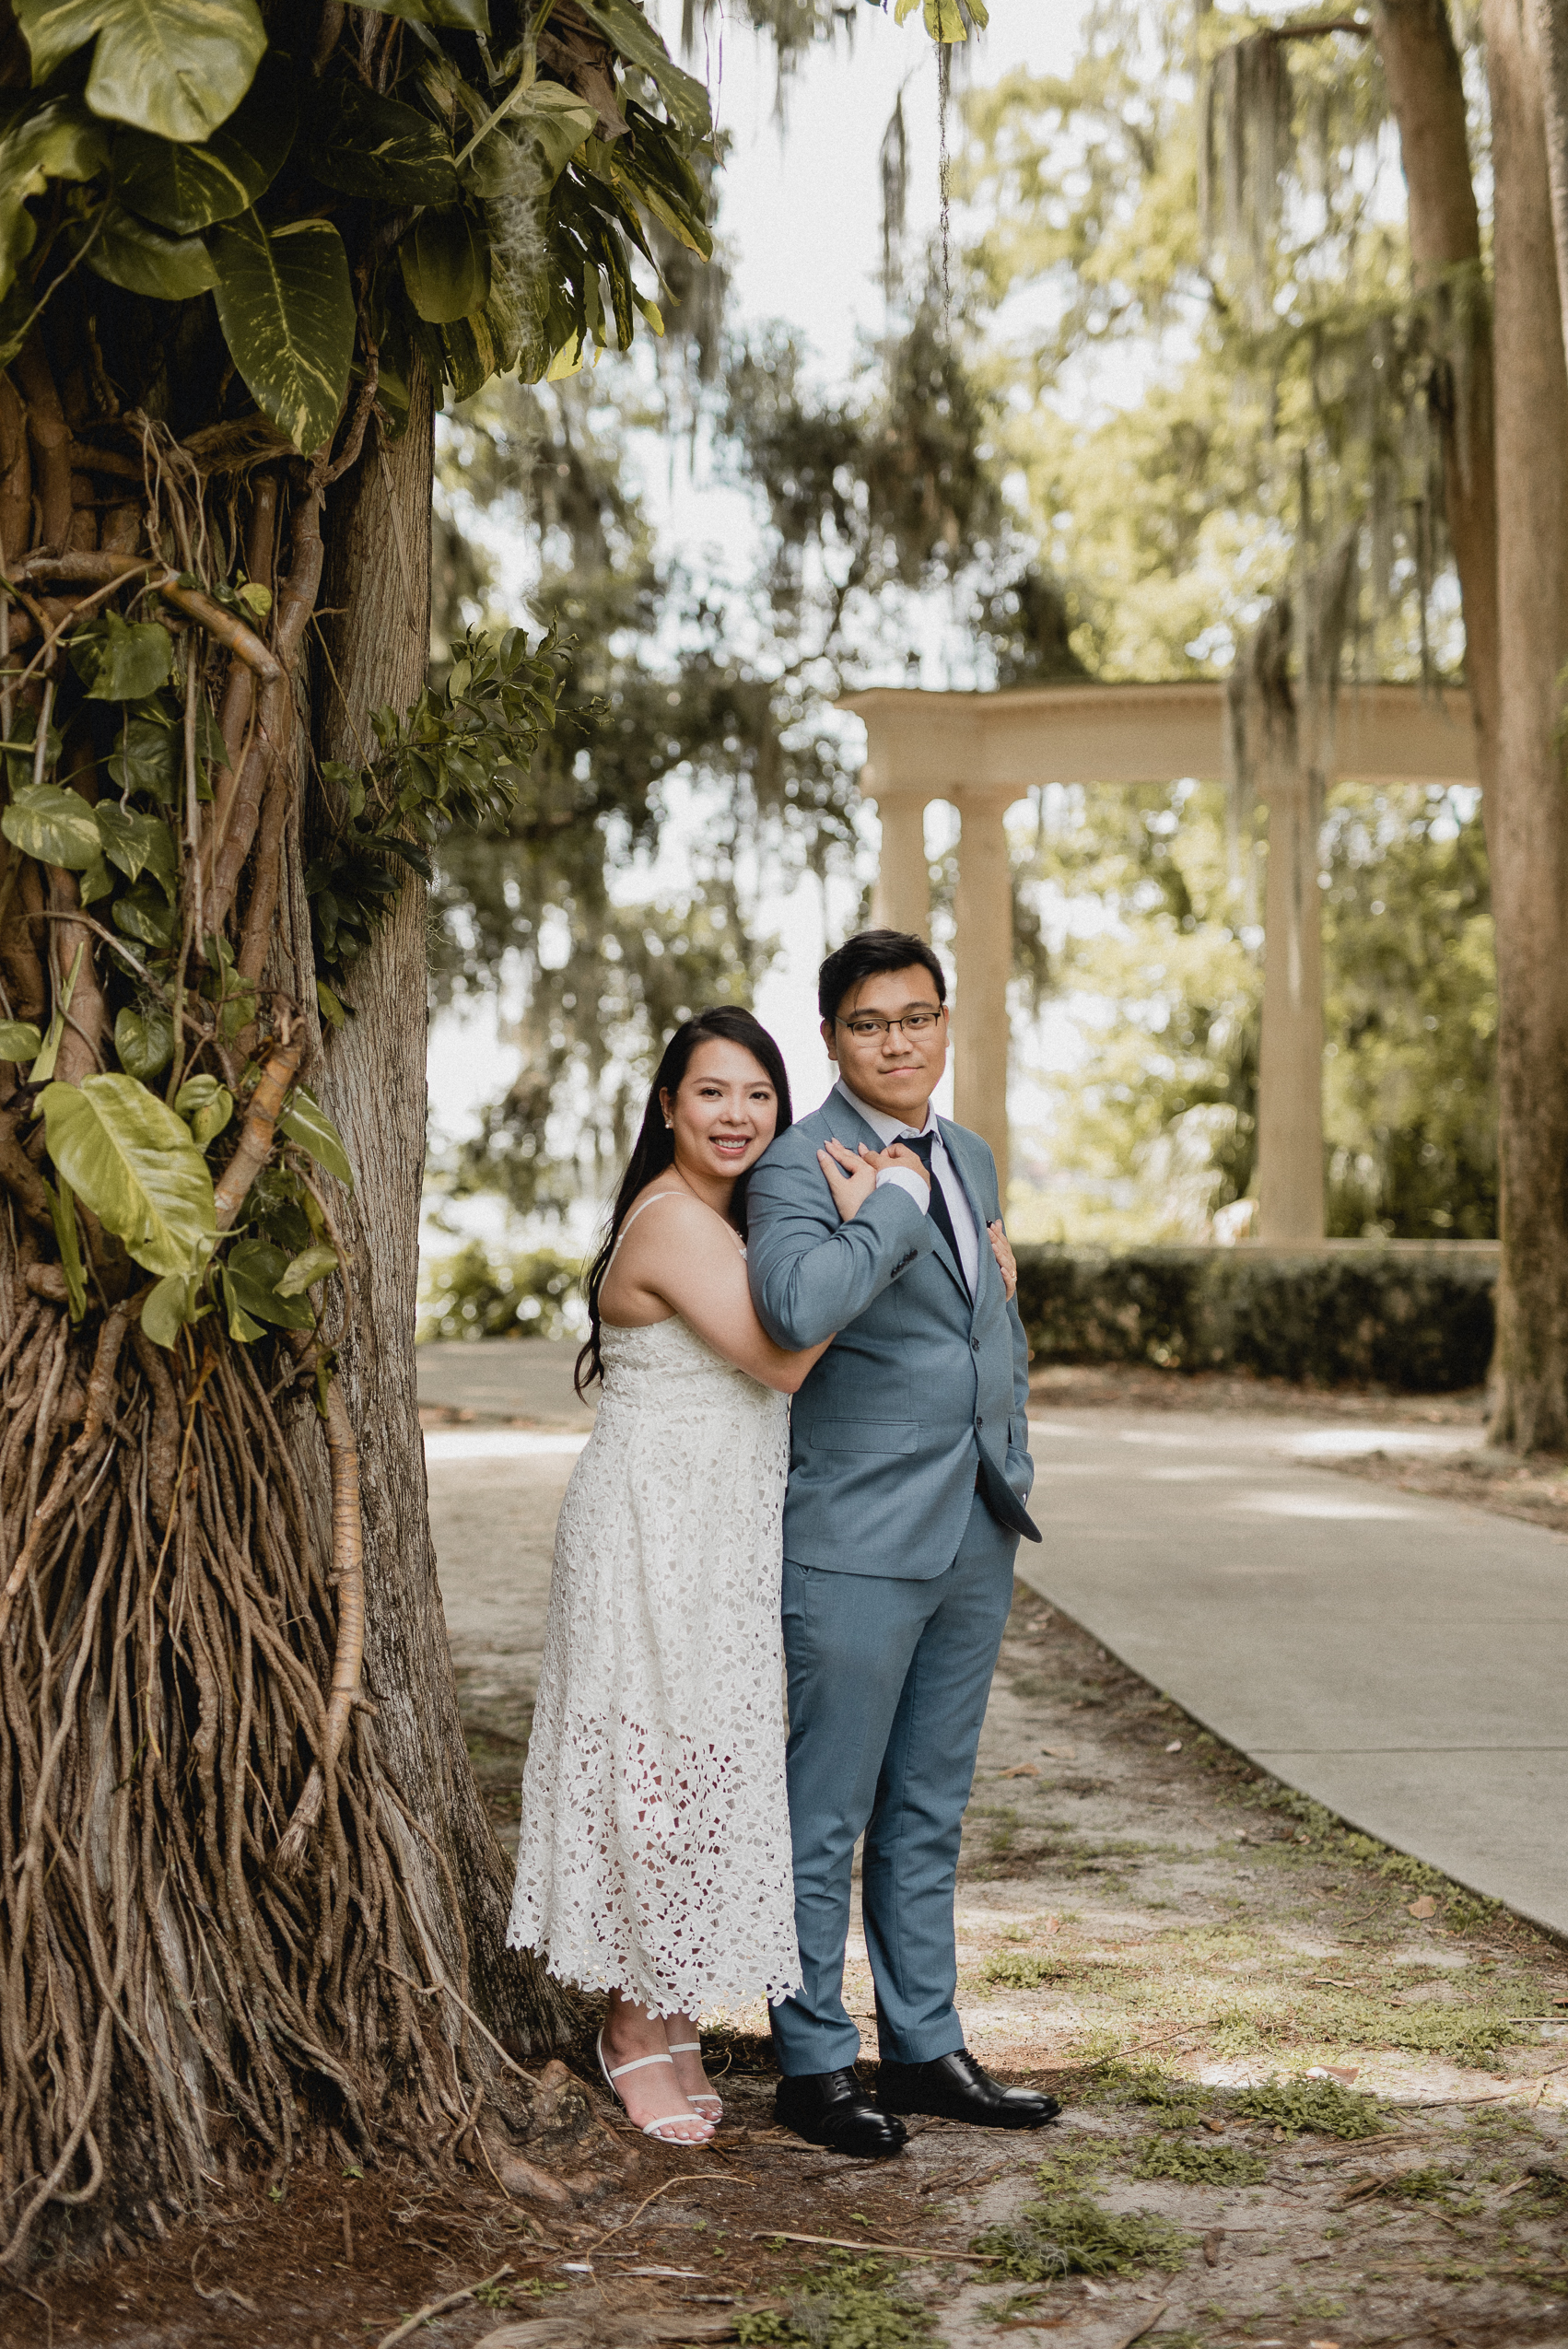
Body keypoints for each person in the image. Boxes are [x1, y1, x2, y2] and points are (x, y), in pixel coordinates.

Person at [744, 929, 1060, 2157]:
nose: (897, 1040)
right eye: (870, 1022)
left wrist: (1013, 1449)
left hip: (976, 1521)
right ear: (830, 1035)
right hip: (856, 1534)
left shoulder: (971, 1150)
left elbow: (983, 1319)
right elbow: (793, 1310)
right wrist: (880, 1206)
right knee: (822, 1809)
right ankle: (813, 2060)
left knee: (928, 1803)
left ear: (944, 1021)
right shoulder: (791, 1163)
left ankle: (924, 2045)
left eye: (917, 1016)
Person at [509, 1009, 847, 2143]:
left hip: (722, 1535)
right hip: (650, 1535)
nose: (738, 1115)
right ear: (667, 1107)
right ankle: (624, 2026)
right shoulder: (670, 1221)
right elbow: (785, 1357)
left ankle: (672, 2004)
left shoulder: (724, 1220)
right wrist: (871, 1222)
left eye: (759, 1095)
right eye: (712, 1092)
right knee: (647, 1773)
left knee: (705, 1759)